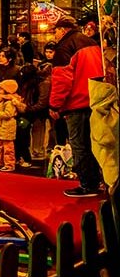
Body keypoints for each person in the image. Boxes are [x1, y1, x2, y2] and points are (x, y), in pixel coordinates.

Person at [49, 17, 105, 197]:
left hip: (77, 102)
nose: (54, 34)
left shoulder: (65, 47)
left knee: (80, 145)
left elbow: (62, 80)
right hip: (97, 99)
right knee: (96, 144)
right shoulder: (92, 43)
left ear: (63, 29)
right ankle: (100, 180)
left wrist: (54, 105)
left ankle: (88, 184)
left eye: (55, 30)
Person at [0, 79, 22, 172]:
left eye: (1, 88)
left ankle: (9, 164)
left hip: (7, 127)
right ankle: (1, 162)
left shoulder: (10, 102)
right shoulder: (2, 99)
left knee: (8, 147)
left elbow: (8, 114)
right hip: (2, 127)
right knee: (1, 146)